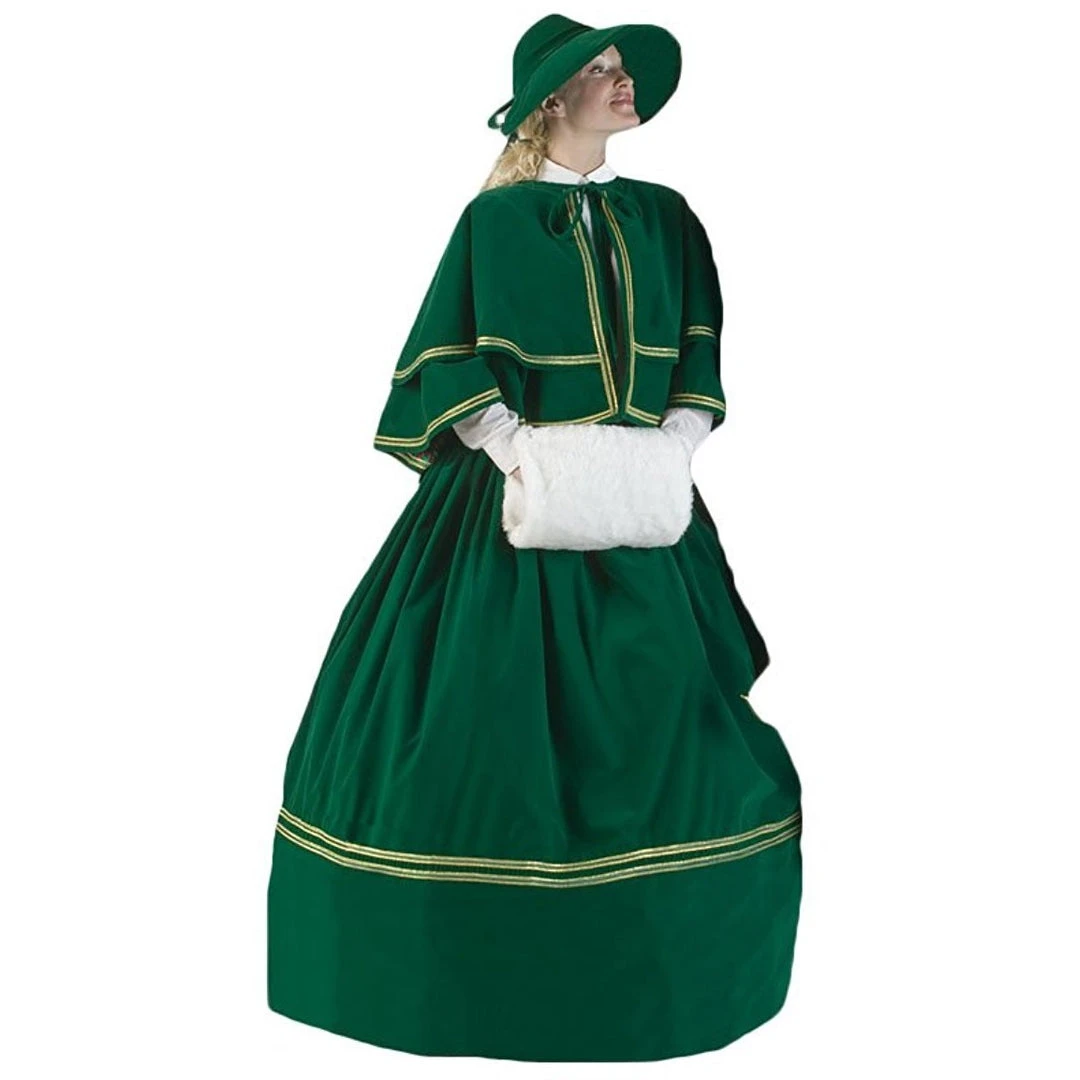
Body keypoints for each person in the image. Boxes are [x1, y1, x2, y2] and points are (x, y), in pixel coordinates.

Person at [267, 14, 802, 1063]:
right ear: (551, 99)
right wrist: (518, 452)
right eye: (599, 71)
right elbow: (445, 354)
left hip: (648, 513)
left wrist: (667, 450)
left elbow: (698, 353)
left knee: (681, 735)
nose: (622, 83)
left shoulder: (668, 218)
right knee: (467, 726)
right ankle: (461, 978)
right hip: (504, 511)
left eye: (623, 69)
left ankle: (669, 970)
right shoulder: (495, 223)